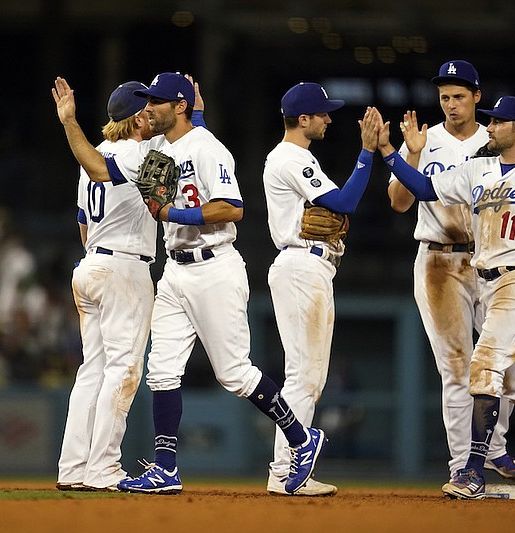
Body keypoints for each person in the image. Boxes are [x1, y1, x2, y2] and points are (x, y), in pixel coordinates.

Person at [52, 72, 337, 495]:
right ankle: (165, 467)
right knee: (161, 372)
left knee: (235, 374)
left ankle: (300, 437)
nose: (149, 108)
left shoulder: (208, 148)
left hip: (215, 268)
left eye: (158, 102)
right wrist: (72, 123)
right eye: (147, 102)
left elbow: (233, 208)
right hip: (174, 270)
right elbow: (106, 169)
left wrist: (174, 215)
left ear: (179, 106)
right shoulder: (157, 152)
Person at [378, 96, 515, 500]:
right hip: (487, 282)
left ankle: (473, 471)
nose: (490, 127)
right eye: (491, 121)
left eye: (499, 122)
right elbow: (425, 187)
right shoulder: (478, 168)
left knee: (483, 365)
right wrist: (392, 153)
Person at [387, 60, 515, 483]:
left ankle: (494, 451)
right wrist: (410, 151)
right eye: (445, 96)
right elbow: (397, 203)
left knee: (500, 363)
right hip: (438, 262)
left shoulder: (497, 138)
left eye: (459, 96)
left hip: (491, 260)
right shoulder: (423, 139)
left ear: (477, 97)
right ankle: (461, 466)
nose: (451, 104)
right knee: (455, 368)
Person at [262, 82, 379, 496]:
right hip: (301, 264)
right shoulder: (291, 156)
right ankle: (285, 471)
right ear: (304, 119)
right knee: (303, 377)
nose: (329, 119)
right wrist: (367, 152)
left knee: (308, 376)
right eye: (323, 113)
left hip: (311, 265)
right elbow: (345, 203)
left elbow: (334, 207)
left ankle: (287, 470)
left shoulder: (297, 157)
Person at [56, 81, 156, 492]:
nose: (154, 115)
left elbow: (83, 224)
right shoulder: (137, 153)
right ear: (135, 117)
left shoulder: (96, 154)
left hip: (92, 264)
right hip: (123, 269)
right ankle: (103, 468)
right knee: (124, 369)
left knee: (92, 371)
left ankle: (73, 467)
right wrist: (68, 122)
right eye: (148, 109)